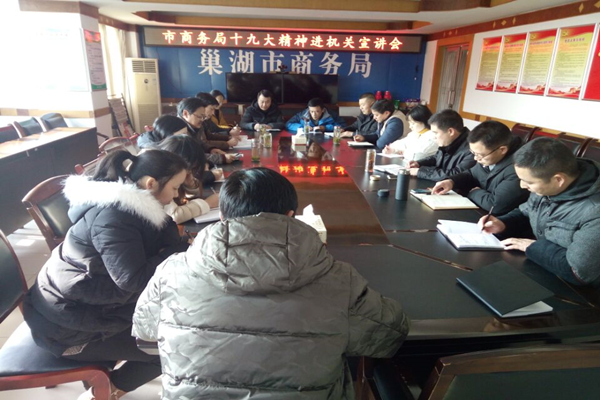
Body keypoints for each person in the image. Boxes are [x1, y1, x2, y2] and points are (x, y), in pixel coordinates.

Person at [133, 168, 410, 399]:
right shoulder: (337, 279)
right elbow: (390, 335)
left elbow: (144, 333)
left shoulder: (172, 272)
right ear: (290, 216)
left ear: (222, 217)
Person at [23, 150, 190, 400]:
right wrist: (173, 252)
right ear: (151, 184)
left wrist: (173, 248)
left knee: (183, 323)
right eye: (175, 188)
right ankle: (105, 391)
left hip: (86, 309)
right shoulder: (114, 218)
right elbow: (133, 280)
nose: (177, 195)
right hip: (67, 330)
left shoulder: (134, 212)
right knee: (177, 348)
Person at [480, 138, 600, 286]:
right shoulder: (547, 185)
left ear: (558, 180)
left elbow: (579, 272)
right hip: (543, 267)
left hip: (580, 290)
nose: (522, 186)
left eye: (529, 182)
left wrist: (532, 247)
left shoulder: (594, 211)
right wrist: (503, 223)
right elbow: (526, 212)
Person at [432, 120, 529, 215]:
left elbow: (495, 205)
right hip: (480, 211)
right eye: (473, 153)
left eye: (480, 155)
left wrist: (474, 192)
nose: (476, 158)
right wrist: (451, 182)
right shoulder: (489, 156)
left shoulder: (519, 168)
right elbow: (471, 174)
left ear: (502, 150)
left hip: (499, 220)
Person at [158, 135, 219, 224]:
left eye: (192, 169)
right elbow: (174, 216)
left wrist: (189, 182)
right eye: (189, 169)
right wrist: (208, 203)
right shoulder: (160, 179)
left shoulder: (176, 173)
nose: (189, 173)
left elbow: (192, 193)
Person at [407, 109, 476, 179]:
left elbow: (456, 174)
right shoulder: (450, 141)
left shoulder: (473, 149)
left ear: (450, 132)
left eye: (435, 133)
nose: (434, 137)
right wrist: (419, 163)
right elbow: (436, 157)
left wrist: (420, 172)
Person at [177, 97, 236, 161]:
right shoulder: (178, 130)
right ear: (185, 114)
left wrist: (211, 149)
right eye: (199, 116)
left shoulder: (195, 125)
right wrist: (222, 158)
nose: (202, 120)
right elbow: (190, 156)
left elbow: (201, 143)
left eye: (203, 116)